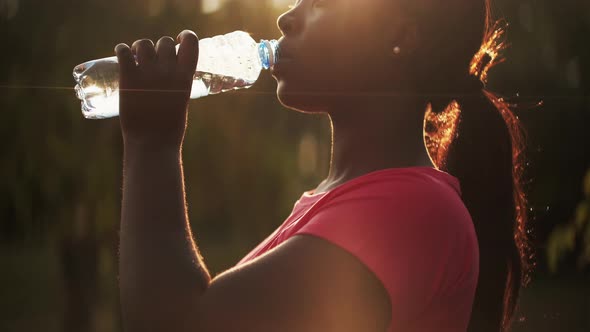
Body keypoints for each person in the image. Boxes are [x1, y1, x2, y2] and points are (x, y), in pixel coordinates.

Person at [114, 0, 533, 331]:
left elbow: (179, 323)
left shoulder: (414, 211)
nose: (285, 19)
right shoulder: (344, 204)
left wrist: (153, 143)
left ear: (400, 35)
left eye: (320, 2)